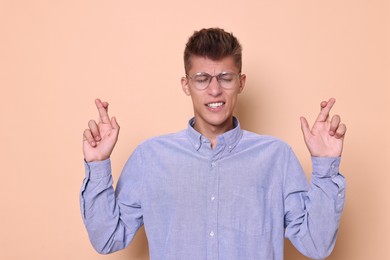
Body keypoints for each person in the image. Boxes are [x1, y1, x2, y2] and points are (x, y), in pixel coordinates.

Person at [80, 28, 346, 260]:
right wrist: (97, 165)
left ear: (241, 83)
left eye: (226, 78)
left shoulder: (277, 157)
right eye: (202, 79)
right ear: (186, 85)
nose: (215, 90)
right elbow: (108, 238)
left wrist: (325, 166)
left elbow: (316, 244)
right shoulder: (150, 158)